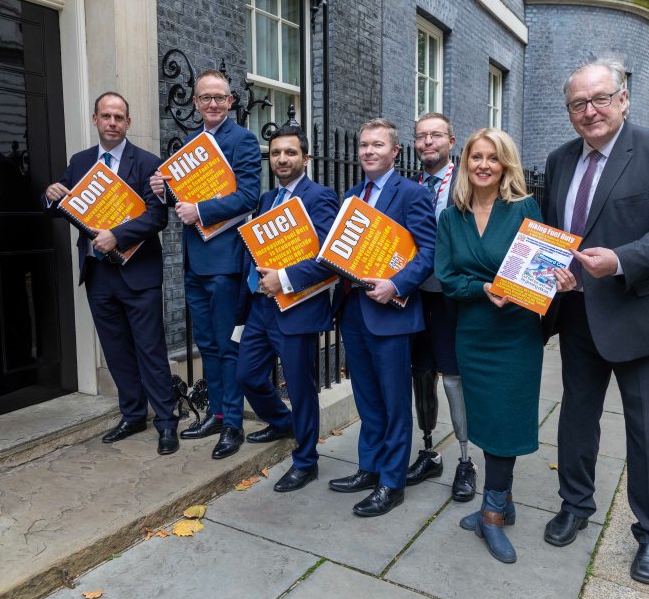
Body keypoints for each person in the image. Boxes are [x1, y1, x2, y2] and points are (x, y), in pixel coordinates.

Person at [540, 60, 649, 585]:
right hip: (580, 317)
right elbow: (554, 233)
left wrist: (622, 260)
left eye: (599, 99)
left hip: (646, 318)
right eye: (577, 104)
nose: (589, 112)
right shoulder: (560, 159)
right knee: (576, 421)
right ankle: (575, 504)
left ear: (624, 98)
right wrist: (556, 272)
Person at [436, 128, 575, 564]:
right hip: (473, 331)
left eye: (492, 159)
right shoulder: (451, 216)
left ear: (505, 165)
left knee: (506, 421)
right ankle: (505, 501)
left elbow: (543, 266)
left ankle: (491, 515)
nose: (483, 165)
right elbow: (446, 278)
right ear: (466, 163)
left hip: (515, 333)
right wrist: (481, 287)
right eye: (476, 157)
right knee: (484, 420)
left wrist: (557, 280)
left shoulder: (524, 209)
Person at [45, 91, 179, 456]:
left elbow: (157, 216)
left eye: (119, 117)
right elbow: (65, 207)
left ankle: (166, 423)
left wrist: (117, 235)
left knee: (150, 351)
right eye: (106, 116)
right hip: (98, 275)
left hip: (139, 275)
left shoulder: (148, 162)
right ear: (95, 120)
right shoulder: (80, 162)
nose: (112, 123)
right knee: (116, 351)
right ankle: (133, 415)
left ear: (128, 123)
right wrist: (51, 195)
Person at [149, 70, 261, 459]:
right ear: (195, 103)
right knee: (207, 344)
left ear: (230, 102)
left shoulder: (243, 141)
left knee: (228, 348)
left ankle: (233, 423)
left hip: (226, 261)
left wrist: (200, 209)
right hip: (194, 261)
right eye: (205, 98)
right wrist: (164, 192)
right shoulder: (191, 147)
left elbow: (249, 196)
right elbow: (180, 205)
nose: (212, 103)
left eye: (219, 97)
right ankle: (215, 412)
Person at [328, 118, 436, 517]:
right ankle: (369, 468)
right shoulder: (353, 196)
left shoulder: (411, 194)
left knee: (393, 403)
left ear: (394, 152)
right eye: (363, 145)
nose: (369, 151)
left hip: (391, 313)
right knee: (367, 398)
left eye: (377, 145)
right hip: (354, 310)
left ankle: (392, 482)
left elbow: (428, 252)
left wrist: (397, 285)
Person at [235, 123, 339, 492]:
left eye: (290, 152)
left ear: (305, 158)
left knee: (300, 387)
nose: (282, 158)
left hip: (298, 309)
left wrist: (285, 278)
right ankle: (283, 422)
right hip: (263, 309)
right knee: (247, 375)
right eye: (276, 152)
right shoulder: (266, 200)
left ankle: (306, 460)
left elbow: (329, 256)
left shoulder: (321, 197)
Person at [406, 112, 476, 503]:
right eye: (421, 136)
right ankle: (429, 449)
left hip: (453, 299)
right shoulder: (410, 187)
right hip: (416, 297)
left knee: (453, 379)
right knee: (421, 376)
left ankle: (466, 459)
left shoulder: (467, 184)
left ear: (451, 140)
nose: (427, 142)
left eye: (435, 136)